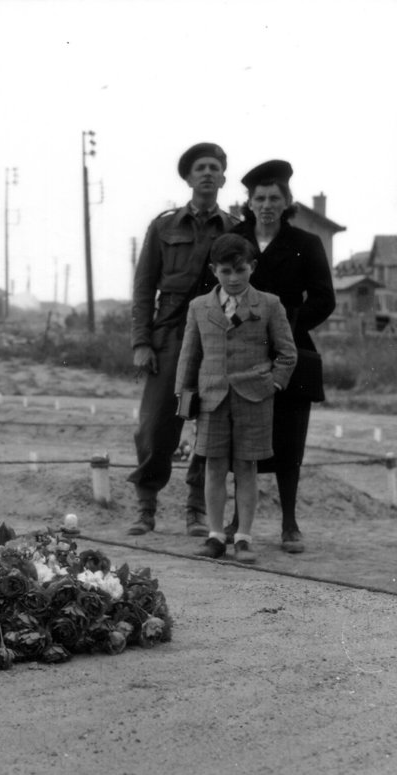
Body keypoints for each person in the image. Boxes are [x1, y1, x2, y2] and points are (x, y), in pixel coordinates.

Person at [128, 143, 239, 536]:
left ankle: (196, 508)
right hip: (170, 331)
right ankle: (145, 507)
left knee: (211, 421)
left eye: (214, 167)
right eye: (200, 168)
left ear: (223, 177)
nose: (207, 173)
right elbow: (143, 288)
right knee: (156, 422)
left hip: (217, 332)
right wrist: (142, 342)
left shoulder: (234, 229)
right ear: (189, 177)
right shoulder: (164, 226)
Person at [225, 160, 336, 554]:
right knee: (242, 438)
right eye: (260, 198)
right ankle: (238, 522)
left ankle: (290, 524)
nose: (267, 204)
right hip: (241, 349)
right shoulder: (235, 239)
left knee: (290, 439)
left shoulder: (306, 244)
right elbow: (213, 288)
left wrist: (286, 324)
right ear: (249, 202)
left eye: (275, 197)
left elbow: (325, 298)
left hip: (291, 350)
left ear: (287, 201)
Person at [177, 234, 296, 564]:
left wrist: (273, 384)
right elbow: (189, 356)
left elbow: (287, 353)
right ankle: (215, 536)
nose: (233, 278)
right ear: (214, 270)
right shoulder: (199, 307)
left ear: (252, 267)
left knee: (247, 466)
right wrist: (185, 398)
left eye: (240, 270)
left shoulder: (269, 304)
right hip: (212, 397)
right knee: (213, 467)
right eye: (225, 271)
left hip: (255, 398)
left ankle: (243, 537)